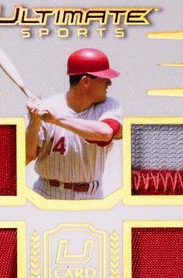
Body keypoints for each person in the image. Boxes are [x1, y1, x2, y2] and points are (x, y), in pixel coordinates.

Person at [26, 48, 122, 200]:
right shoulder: (48, 107)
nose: (109, 82)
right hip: (48, 194)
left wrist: (57, 119)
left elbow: (105, 134)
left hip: (91, 197)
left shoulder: (109, 106)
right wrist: (34, 121)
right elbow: (25, 157)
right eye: (103, 78)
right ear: (85, 82)